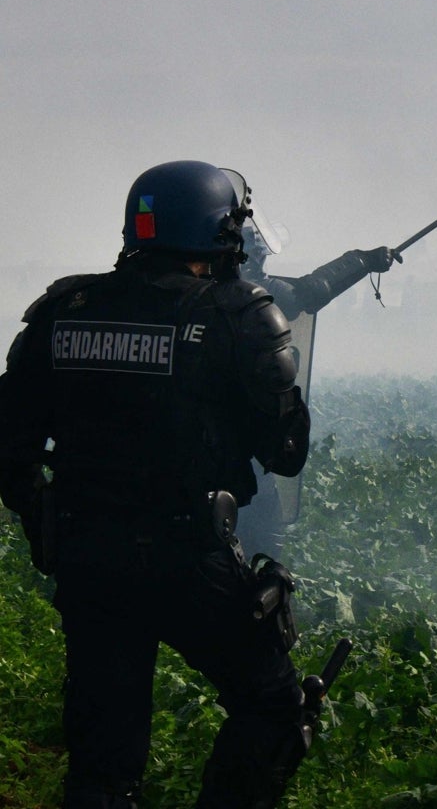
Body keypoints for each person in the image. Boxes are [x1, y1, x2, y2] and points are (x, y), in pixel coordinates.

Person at [0, 160, 315, 807]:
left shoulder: (65, 310)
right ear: (223, 233)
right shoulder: (240, 313)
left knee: (102, 766)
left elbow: (9, 447)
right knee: (275, 707)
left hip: (90, 561)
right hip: (189, 558)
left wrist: (48, 528)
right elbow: (286, 453)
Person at [238, 224, 393, 560]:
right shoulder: (240, 294)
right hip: (232, 455)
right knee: (260, 547)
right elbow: (304, 295)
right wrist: (361, 261)